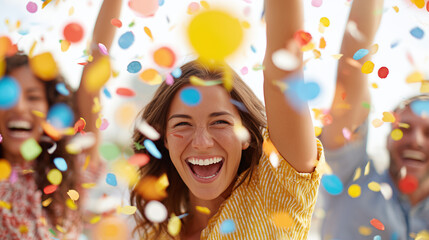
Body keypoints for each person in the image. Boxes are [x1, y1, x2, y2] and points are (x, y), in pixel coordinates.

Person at [130, 0, 325, 239]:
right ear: (165, 140)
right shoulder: (157, 234)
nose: (202, 142)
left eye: (220, 122)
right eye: (182, 124)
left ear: (246, 135)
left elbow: (285, 64)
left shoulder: (277, 197)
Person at [0, 1, 122, 239]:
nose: (19, 106)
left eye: (33, 97)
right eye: (7, 95)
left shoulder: (72, 165)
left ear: (51, 109)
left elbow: (93, 71)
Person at [319, 0, 429, 239]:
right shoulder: (351, 176)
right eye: (405, 128)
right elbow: (351, 69)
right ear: (388, 137)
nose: (416, 141)